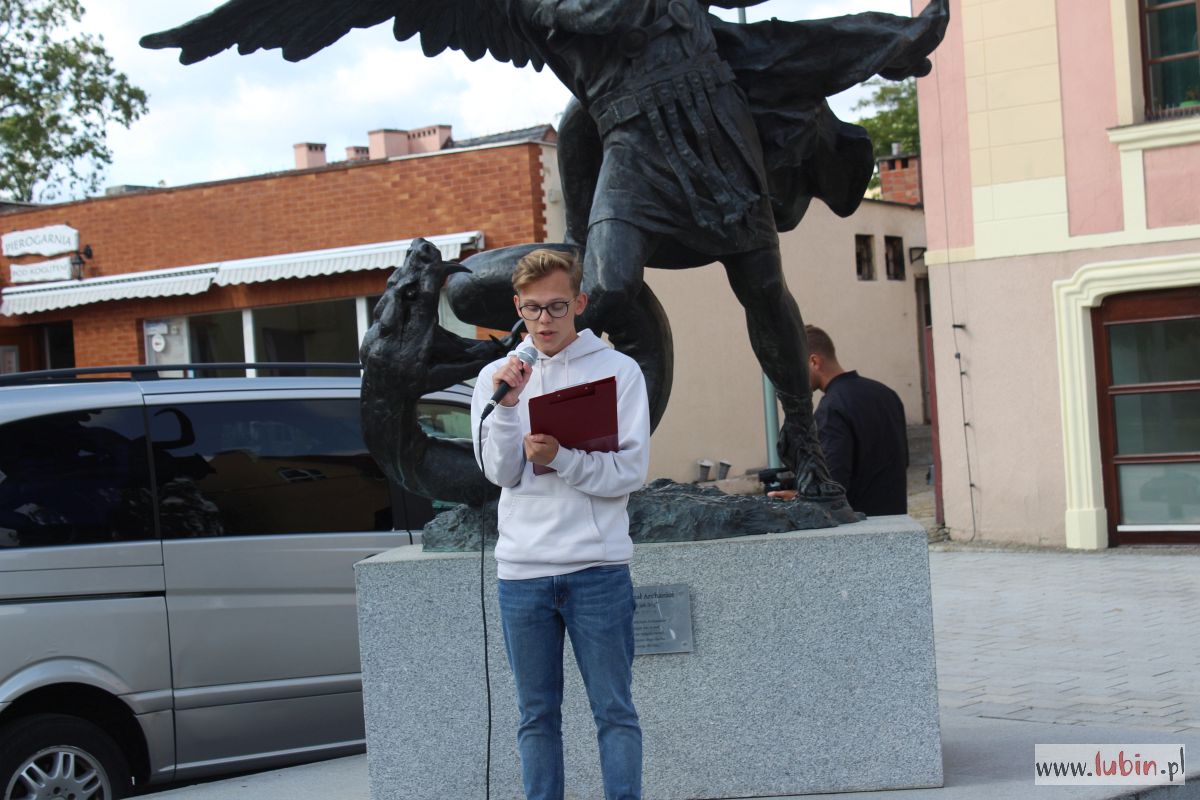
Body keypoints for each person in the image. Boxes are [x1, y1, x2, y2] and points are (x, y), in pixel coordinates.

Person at [471, 248, 651, 800]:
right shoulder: (497, 379)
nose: (544, 320)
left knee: (614, 710)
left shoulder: (618, 371)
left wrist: (563, 458)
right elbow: (501, 473)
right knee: (536, 716)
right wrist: (508, 408)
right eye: (532, 309)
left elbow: (629, 472)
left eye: (556, 307)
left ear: (579, 302)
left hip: (597, 569)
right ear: (517, 308)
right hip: (522, 573)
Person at [772, 325, 908, 516]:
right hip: (896, 517)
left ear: (814, 361)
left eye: (794, 368)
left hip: (859, 523)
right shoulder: (886, 394)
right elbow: (903, 460)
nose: (791, 377)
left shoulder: (831, 408)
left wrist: (796, 499)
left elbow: (832, 483)